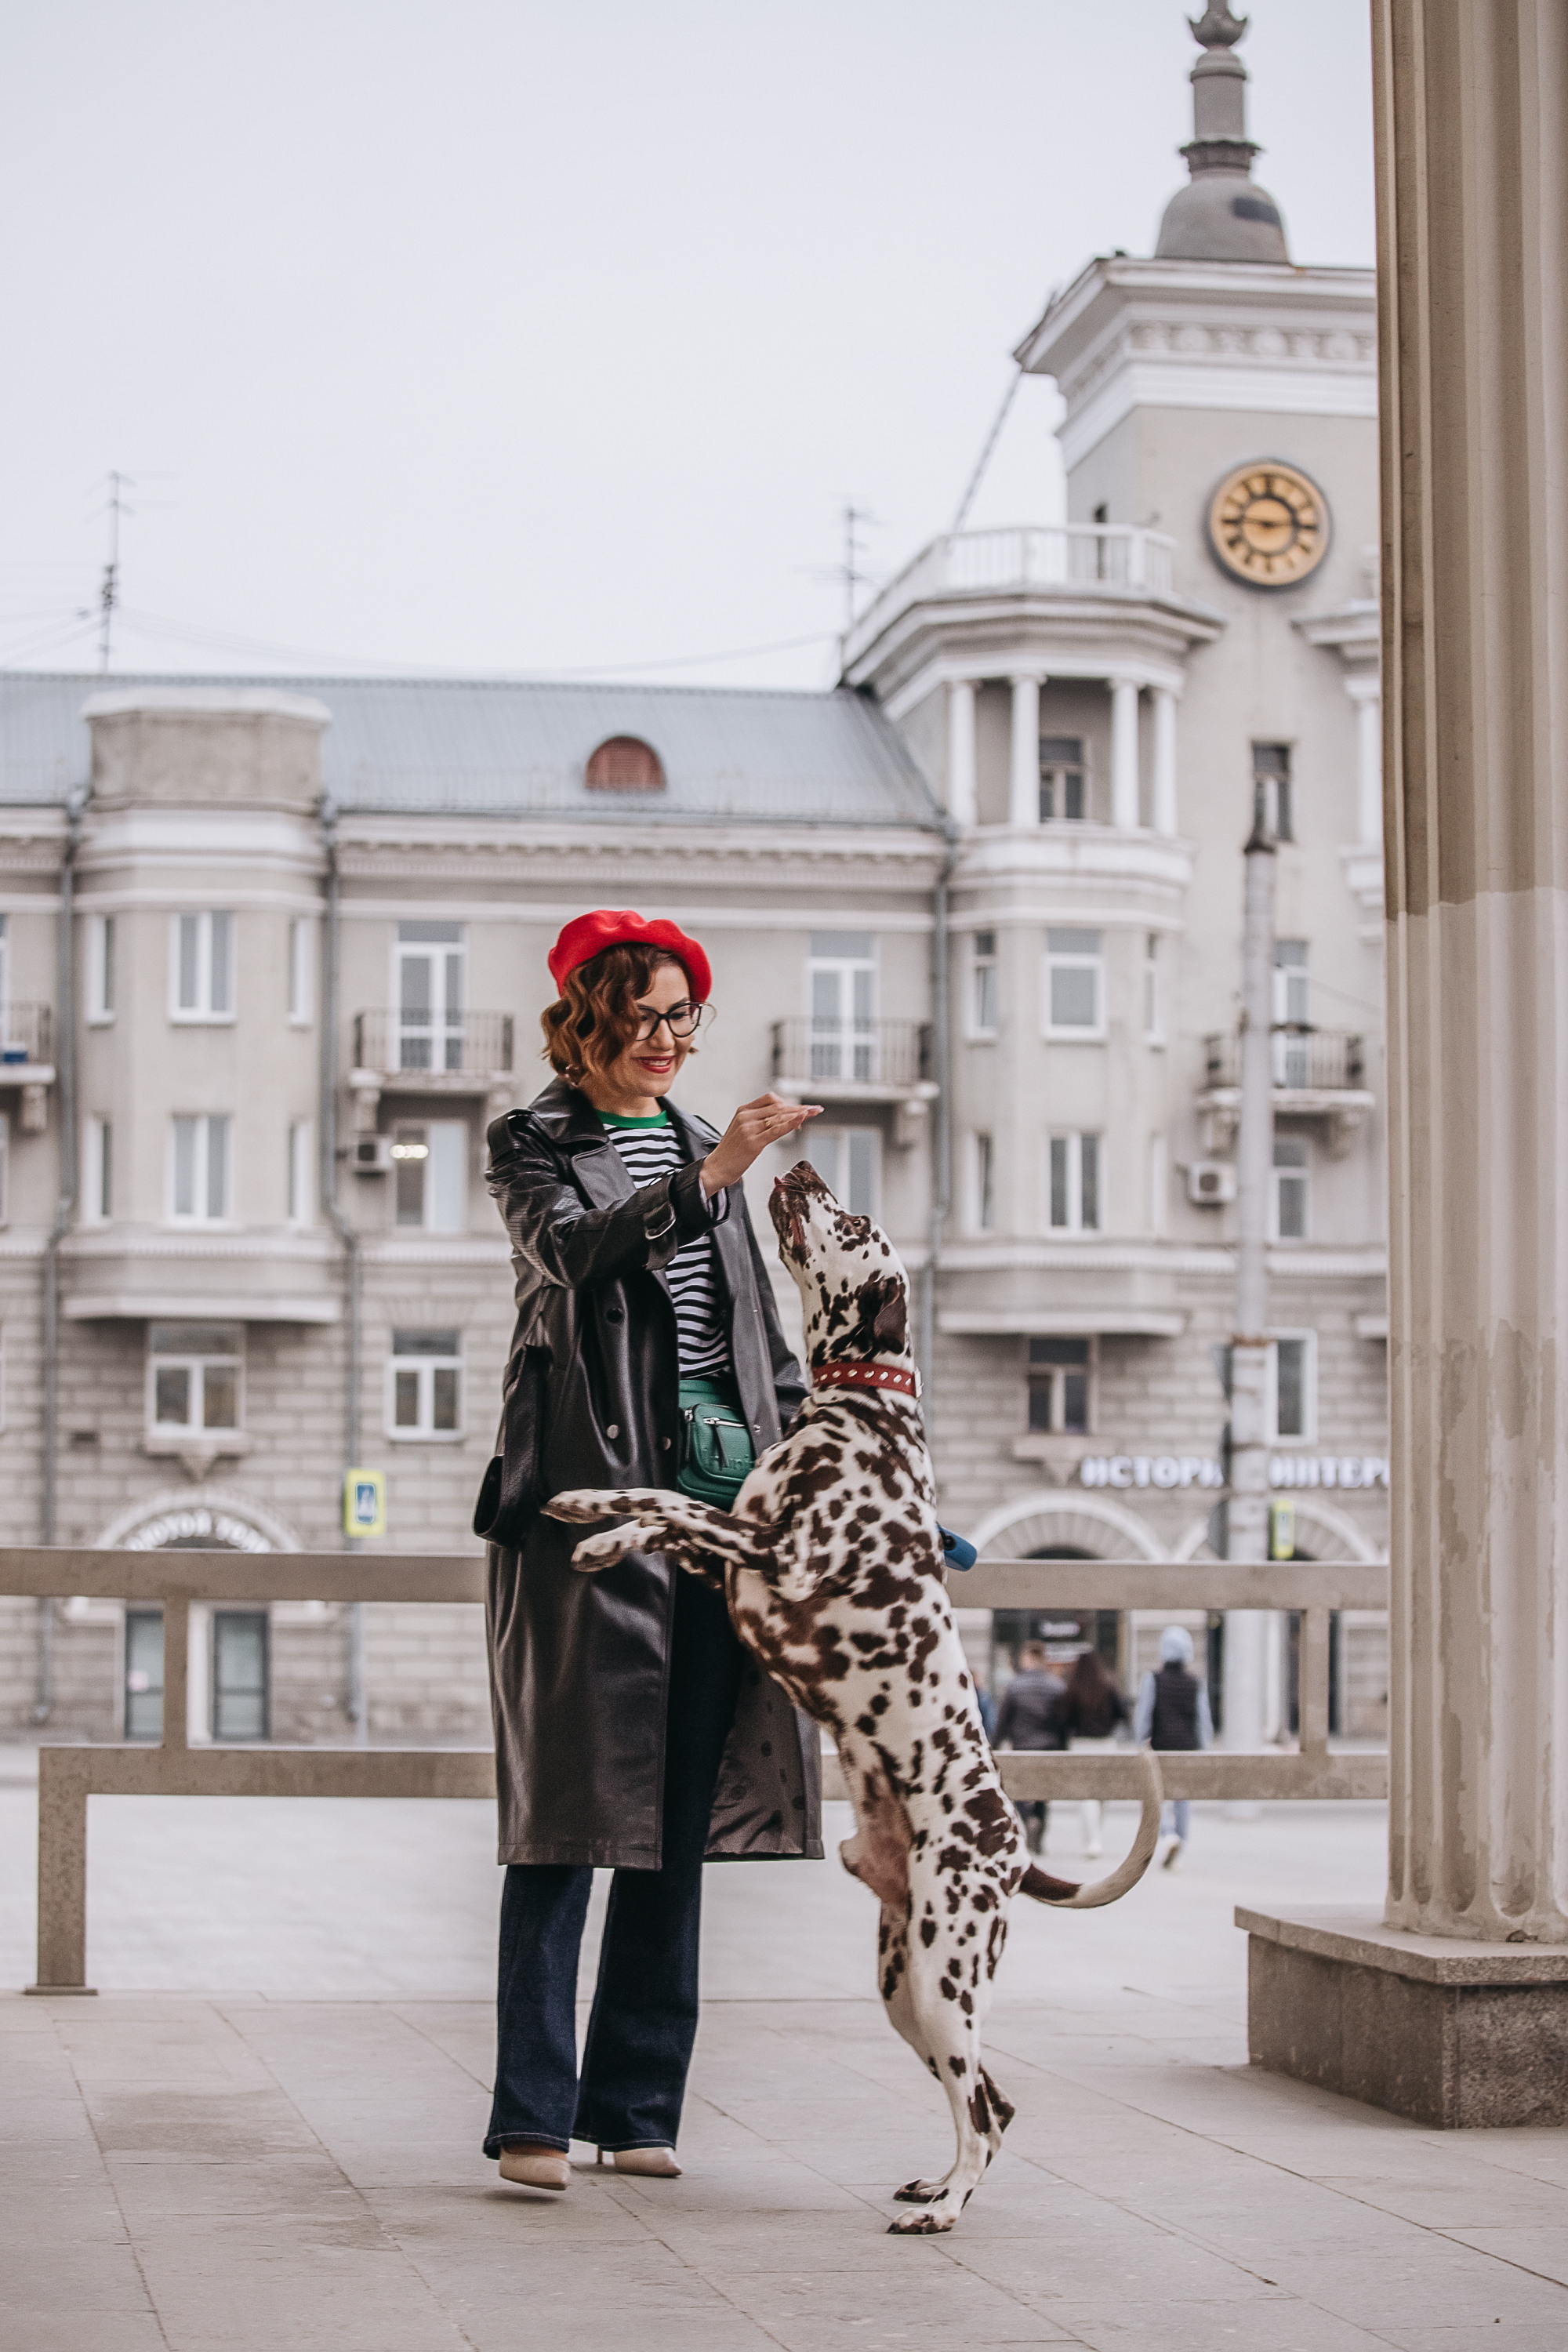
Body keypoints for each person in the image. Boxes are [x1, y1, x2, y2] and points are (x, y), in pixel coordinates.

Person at [481, 909, 824, 2194]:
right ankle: (531, 2112)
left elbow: (761, 1344)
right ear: (588, 1017)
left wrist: (813, 1468)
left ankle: (634, 2106)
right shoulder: (534, 1143)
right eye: (647, 1014)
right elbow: (572, 1258)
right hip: (583, 1518)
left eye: (687, 1015)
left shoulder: (698, 1148)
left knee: (676, 1825)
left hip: (718, 1517)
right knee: (566, 1821)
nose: (673, 1038)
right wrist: (713, 1178)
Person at [1134, 1624, 1214, 1870]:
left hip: (1161, 1747)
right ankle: (1180, 1839)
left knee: (1156, 1796)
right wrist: (1203, 1748)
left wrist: (1141, 1741)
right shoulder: (1195, 1683)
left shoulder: (1153, 1679)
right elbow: (1204, 1720)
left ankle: (1168, 1834)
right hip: (1186, 1748)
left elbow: (1144, 1715)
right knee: (1183, 1799)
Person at [1051, 1645, 1130, 1858]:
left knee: (1086, 1794)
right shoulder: (1108, 1685)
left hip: (1081, 1744)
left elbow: (1063, 1719)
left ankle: (1092, 1839)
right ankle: (1096, 1836)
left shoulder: (1073, 1688)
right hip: (1106, 1744)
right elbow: (1122, 1713)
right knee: (1104, 1793)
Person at [994, 1639, 1066, 1854]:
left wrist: (994, 1746)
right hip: (1049, 1746)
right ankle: (1039, 1823)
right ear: (1043, 1660)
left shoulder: (1015, 1685)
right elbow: (1063, 1721)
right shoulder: (1056, 1686)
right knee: (1043, 1791)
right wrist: (1063, 1747)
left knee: (1019, 1790)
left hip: (1022, 1745)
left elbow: (1003, 1720)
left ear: (1027, 1658)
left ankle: (1028, 1820)